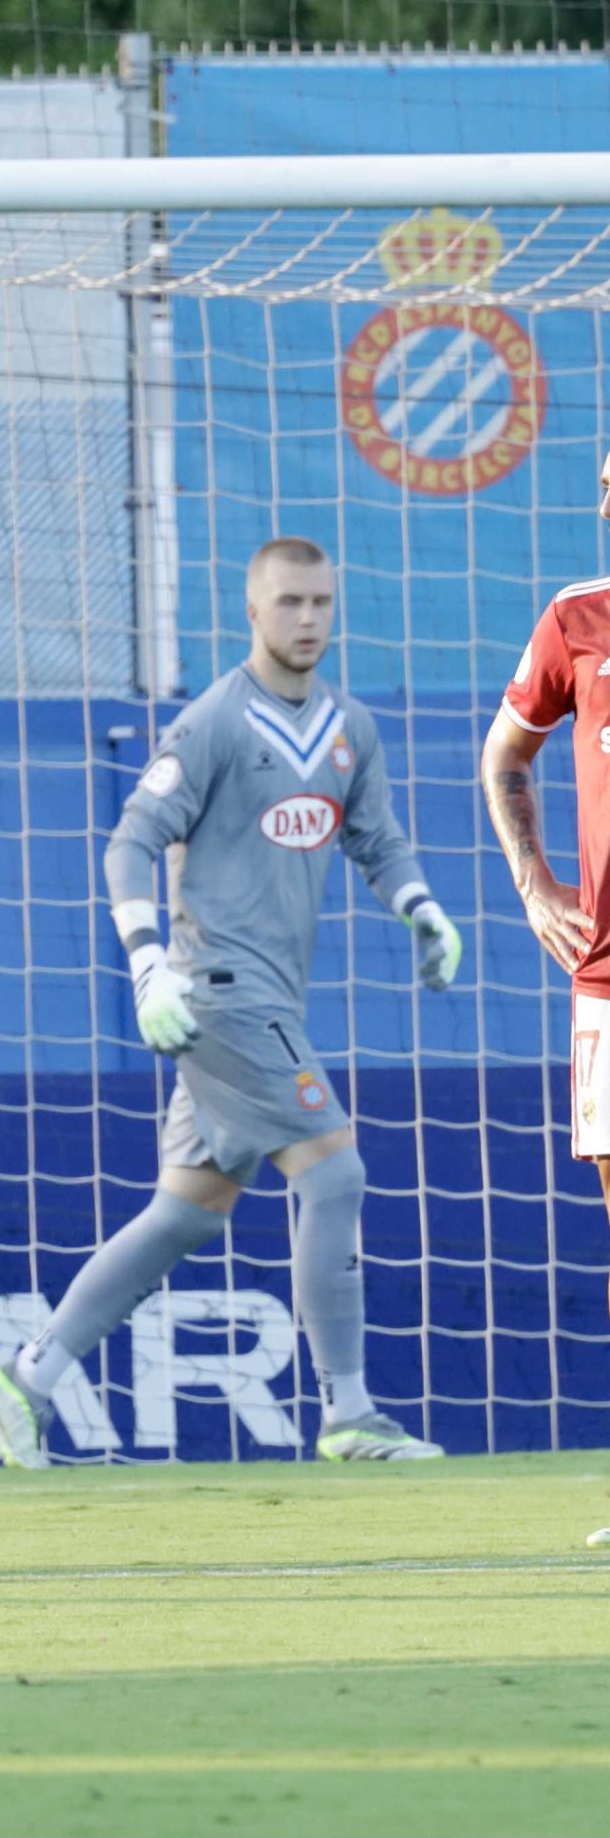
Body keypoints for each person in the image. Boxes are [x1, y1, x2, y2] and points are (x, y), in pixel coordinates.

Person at [0, 535, 461, 1470]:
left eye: (321, 602)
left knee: (189, 1213)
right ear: (252, 611)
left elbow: (376, 839)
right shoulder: (212, 723)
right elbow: (130, 843)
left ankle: (27, 1378)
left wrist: (422, 910)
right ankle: (350, 1413)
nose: (308, 619)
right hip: (220, 993)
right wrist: (148, 965)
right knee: (335, 1175)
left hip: (271, 997)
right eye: (289, 602)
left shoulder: (349, 728)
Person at [480, 452, 610, 1548]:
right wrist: (533, 884)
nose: (608, 499)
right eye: (607, 482)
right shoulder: (576, 620)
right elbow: (505, 757)